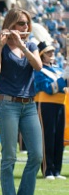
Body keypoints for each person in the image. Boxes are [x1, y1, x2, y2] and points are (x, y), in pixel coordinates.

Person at [0, 8, 43, 195]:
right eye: (21, 23)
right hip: (8, 105)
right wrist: (1, 45)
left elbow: (38, 66)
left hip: (29, 105)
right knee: (9, 157)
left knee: (37, 155)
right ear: (10, 25)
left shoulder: (30, 45)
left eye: (27, 24)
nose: (25, 27)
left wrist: (22, 45)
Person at [33, 39, 66, 180]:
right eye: (48, 52)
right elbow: (49, 88)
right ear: (41, 55)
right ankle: (47, 169)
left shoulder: (58, 69)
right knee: (48, 136)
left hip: (60, 105)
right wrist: (63, 79)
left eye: (52, 51)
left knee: (59, 137)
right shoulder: (39, 70)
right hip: (46, 105)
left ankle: (57, 169)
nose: (52, 53)